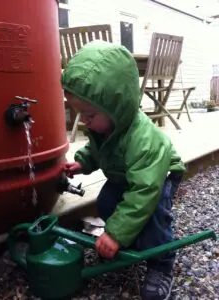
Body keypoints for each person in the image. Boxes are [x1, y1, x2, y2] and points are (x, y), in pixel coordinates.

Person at [61, 40, 185, 300]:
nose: (84, 120)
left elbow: (143, 191)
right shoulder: (106, 125)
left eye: (89, 114)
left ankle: (161, 264)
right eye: (79, 113)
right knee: (107, 201)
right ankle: (130, 241)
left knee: (152, 214)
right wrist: (84, 162)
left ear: (117, 107)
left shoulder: (143, 140)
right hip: (128, 174)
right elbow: (99, 148)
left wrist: (115, 234)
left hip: (158, 175)